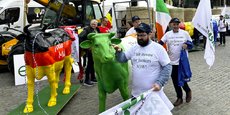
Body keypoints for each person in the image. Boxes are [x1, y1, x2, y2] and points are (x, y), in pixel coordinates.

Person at [114, 23, 172, 98]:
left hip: (153, 94)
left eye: (143, 35)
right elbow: (122, 59)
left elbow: (167, 67)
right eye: (138, 35)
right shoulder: (134, 48)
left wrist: (160, 83)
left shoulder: (158, 48)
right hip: (135, 94)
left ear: (149, 34)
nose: (140, 38)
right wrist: (118, 51)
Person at [159, 18, 193, 106]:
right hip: (171, 62)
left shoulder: (185, 33)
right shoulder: (167, 34)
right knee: (175, 81)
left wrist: (187, 45)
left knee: (182, 78)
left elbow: (191, 44)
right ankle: (179, 98)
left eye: (177, 24)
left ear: (179, 25)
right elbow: (160, 43)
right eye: (174, 24)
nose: (176, 26)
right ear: (171, 25)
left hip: (182, 62)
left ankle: (188, 91)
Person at [79, 19, 100, 86]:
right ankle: (87, 80)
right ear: (90, 24)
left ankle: (93, 78)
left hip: (95, 49)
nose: (94, 25)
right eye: (93, 24)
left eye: (95, 24)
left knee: (93, 63)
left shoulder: (97, 29)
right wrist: (86, 47)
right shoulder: (87, 30)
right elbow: (80, 37)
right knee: (89, 64)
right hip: (90, 50)